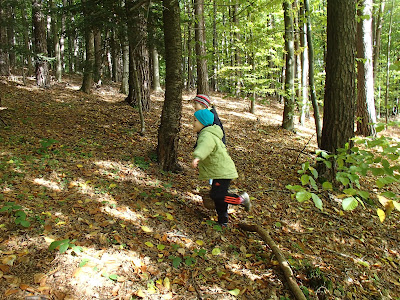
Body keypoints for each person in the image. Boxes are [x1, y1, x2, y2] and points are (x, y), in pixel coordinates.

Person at [191, 109, 251, 227]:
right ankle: (223, 220)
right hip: (220, 171)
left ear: (203, 123)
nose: (193, 123)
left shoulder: (206, 135)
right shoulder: (211, 133)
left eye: (195, 120)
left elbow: (205, 147)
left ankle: (241, 200)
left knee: (217, 195)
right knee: (219, 197)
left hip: (222, 172)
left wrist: (198, 156)